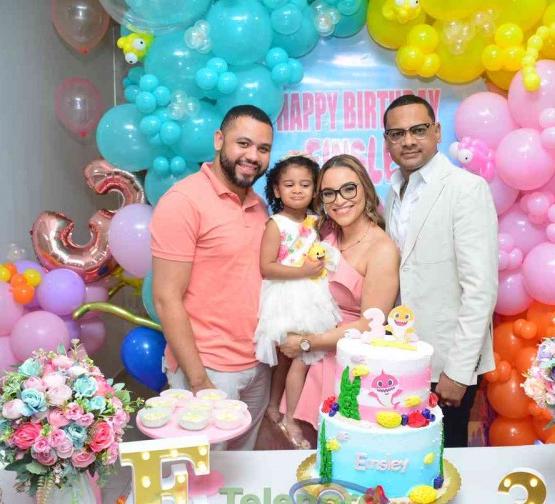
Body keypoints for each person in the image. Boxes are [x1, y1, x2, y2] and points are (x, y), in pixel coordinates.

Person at [149, 105, 273, 451]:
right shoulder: (183, 201)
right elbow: (166, 299)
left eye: (263, 148)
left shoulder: (259, 206)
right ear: (219, 140)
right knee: (198, 472)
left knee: (241, 469)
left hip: (257, 365)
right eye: (243, 144)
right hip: (208, 370)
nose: (253, 156)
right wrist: (199, 381)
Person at [382, 94, 498, 448]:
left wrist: (458, 372)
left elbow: (480, 288)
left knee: (444, 463)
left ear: (437, 132)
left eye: (418, 130)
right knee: (404, 456)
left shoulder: (466, 189)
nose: (408, 141)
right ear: (387, 141)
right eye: (397, 134)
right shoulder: (392, 193)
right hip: (401, 358)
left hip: (446, 366)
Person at [278, 154, 400, 433]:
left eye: (348, 189)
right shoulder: (326, 232)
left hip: (346, 364)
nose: (339, 200)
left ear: (365, 189)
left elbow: (370, 325)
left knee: (336, 445)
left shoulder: (382, 250)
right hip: (309, 360)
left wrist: (307, 343)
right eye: (329, 193)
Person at [255, 152, 342, 448]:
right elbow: (267, 267)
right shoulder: (275, 224)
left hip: (314, 294)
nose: (297, 190)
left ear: (315, 190)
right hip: (286, 295)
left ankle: (278, 408)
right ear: (277, 190)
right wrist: (302, 271)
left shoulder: (317, 222)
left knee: (295, 357)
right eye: (289, 184)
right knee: (293, 356)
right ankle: (287, 415)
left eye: (305, 184)